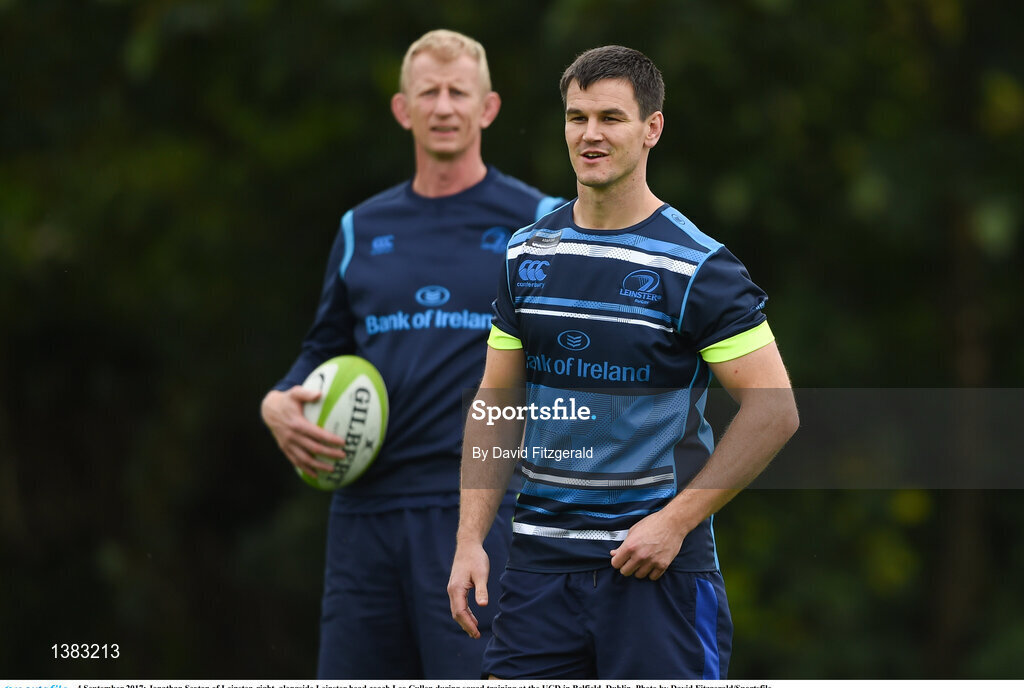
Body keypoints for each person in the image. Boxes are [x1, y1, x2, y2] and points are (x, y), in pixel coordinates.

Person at [448, 45, 799, 679]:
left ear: (652, 128)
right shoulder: (526, 254)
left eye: (610, 118)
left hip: (655, 574)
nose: (590, 134)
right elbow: (496, 401)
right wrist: (470, 539)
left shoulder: (701, 268)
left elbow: (775, 409)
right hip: (537, 571)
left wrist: (674, 523)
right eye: (576, 117)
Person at [260, 29, 563, 679]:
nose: (445, 106)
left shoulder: (538, 223)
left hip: (479, 512)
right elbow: (323, 347)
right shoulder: (360, 228)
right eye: (430, 92)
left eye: (460, 92)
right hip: (362, 511)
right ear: (403, 109)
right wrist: (277, 400)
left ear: (489, 109)